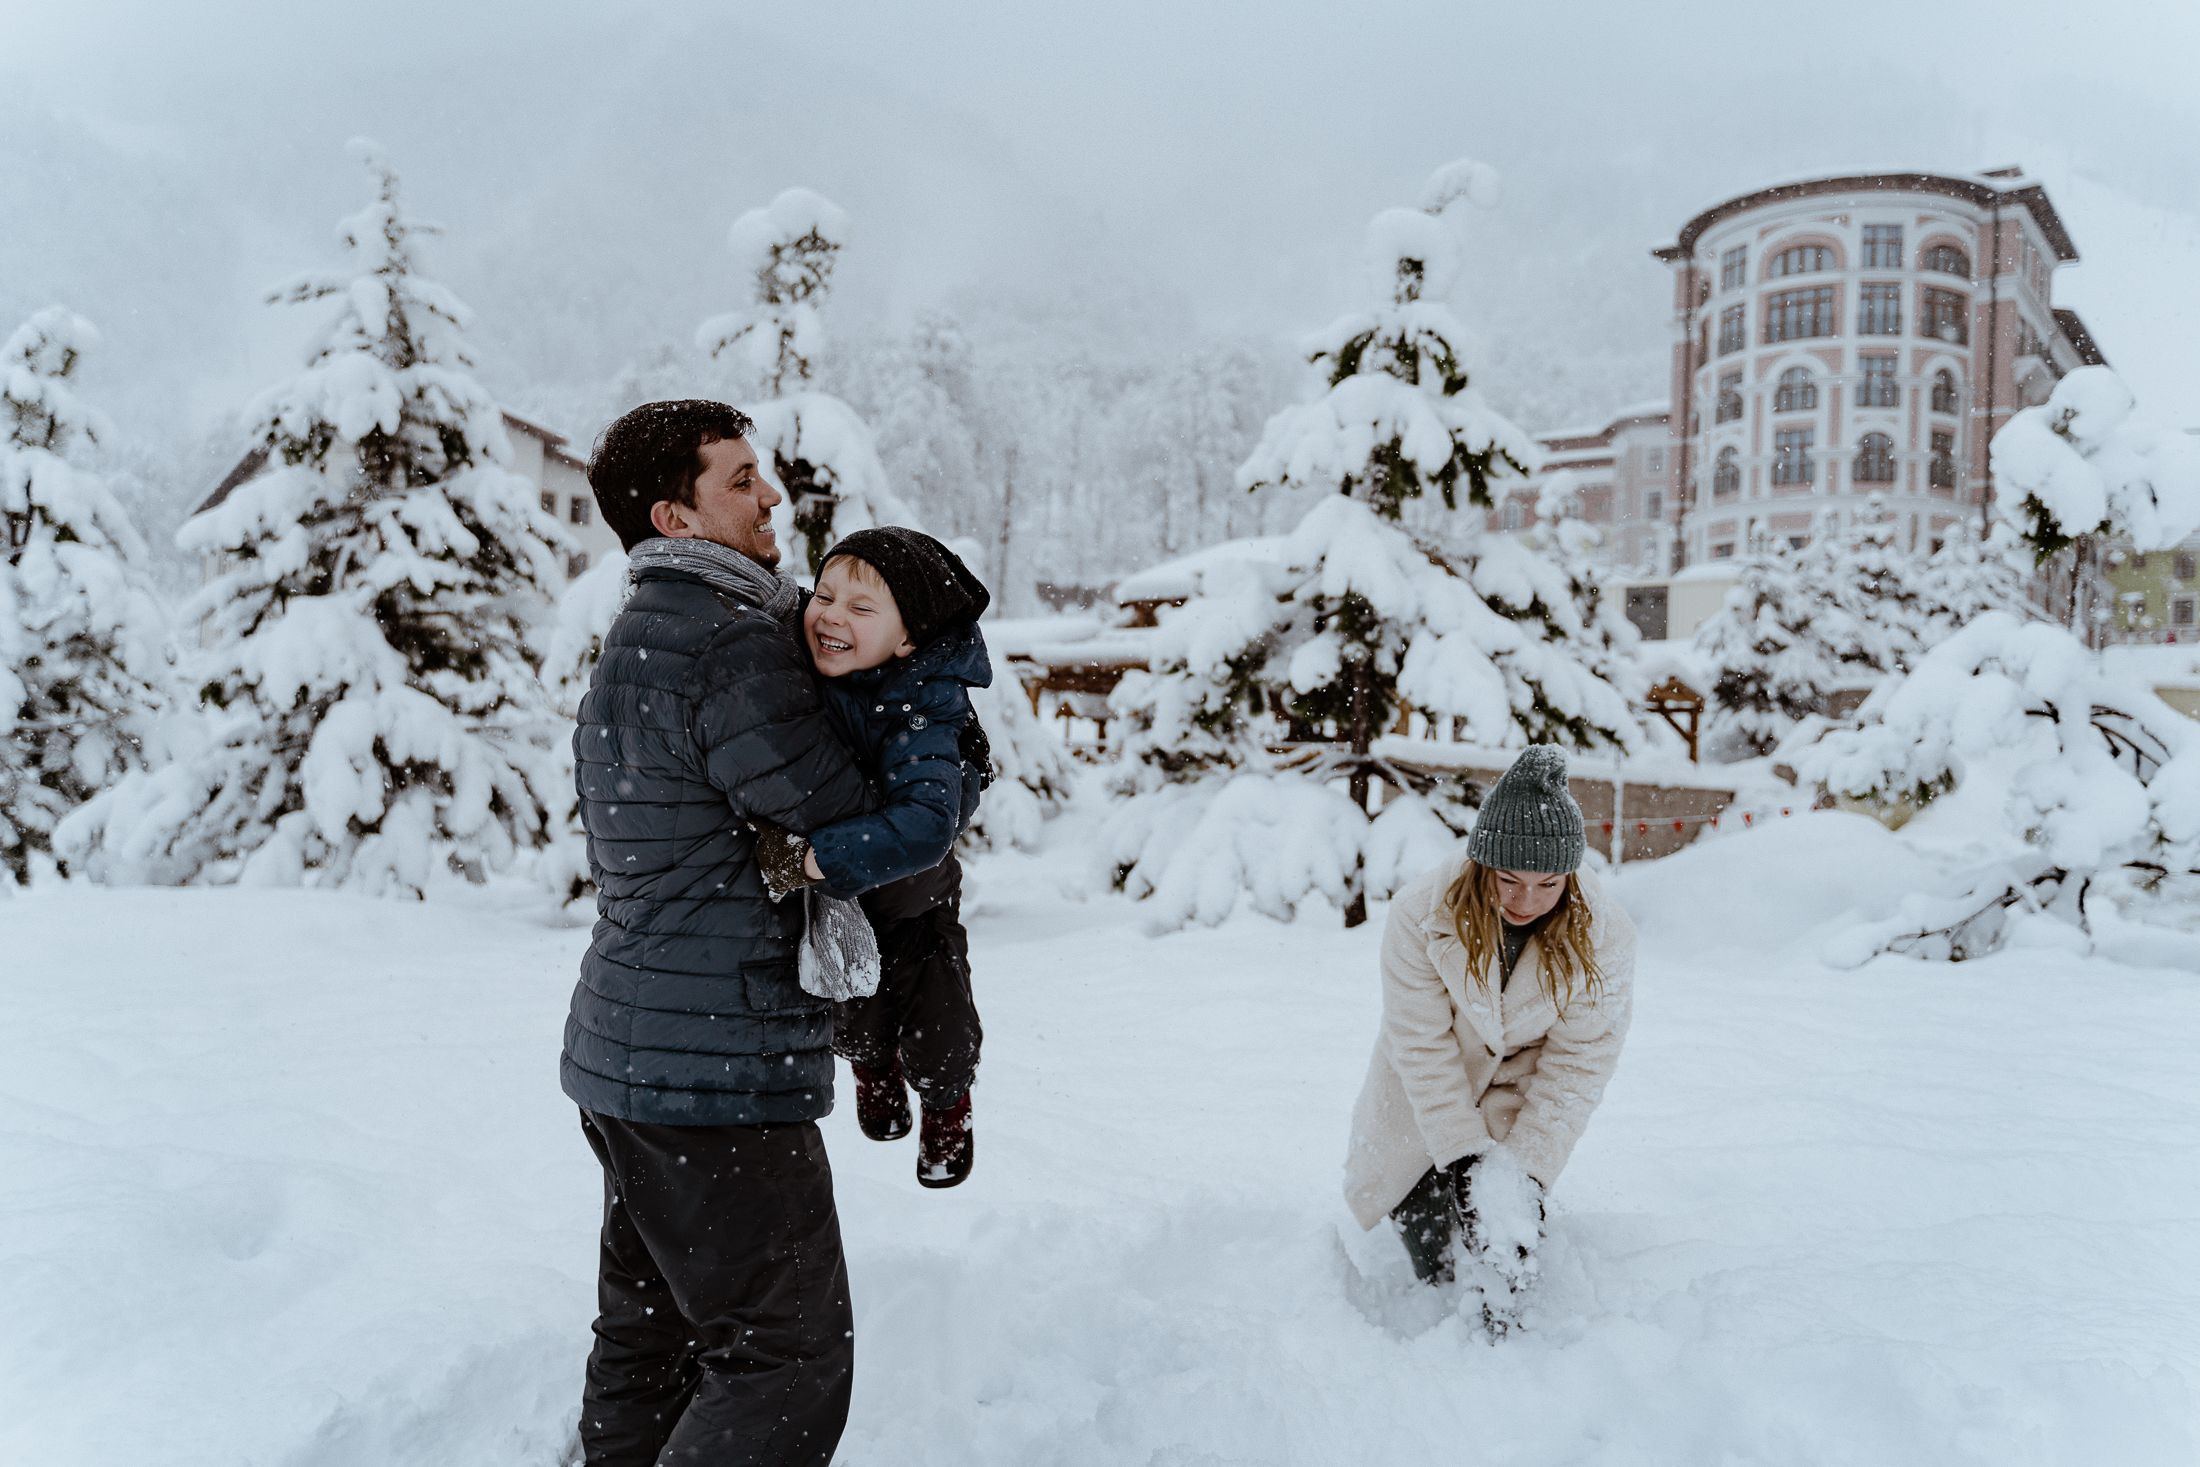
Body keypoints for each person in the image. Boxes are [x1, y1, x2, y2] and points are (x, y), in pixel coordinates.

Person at [559, 399, 876, 1467]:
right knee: (783, 1358)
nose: (771, 495)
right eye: (739, 480)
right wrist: (924, 733)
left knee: (651, 1337)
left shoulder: (637, 643)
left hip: (632, 1055)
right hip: (715, 1071)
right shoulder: (727, 648)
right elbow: (848, 816)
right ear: (673, 516)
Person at [1342, 744, 1637, 1333]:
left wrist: (1523, 1173)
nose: (1526, 901)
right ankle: (1430, 1321)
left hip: (1519, 1090)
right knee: (1425, 1226)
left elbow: (1580, 1064)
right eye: (1508, 880)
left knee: (1505, 1233)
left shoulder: (1605, 936)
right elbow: (1420, 1043)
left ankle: (1505, 1345)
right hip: (1422, 1087)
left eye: (1548, 883)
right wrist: (1459, 1152)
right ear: (1481, 863)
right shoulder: (1421, 914)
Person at [753, 527, 994, 1189]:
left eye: (861, 609)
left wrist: (807, 861)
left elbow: (923, 826)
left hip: (917, 904)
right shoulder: (815, 672)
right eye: (825, 594)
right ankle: (873, 1068)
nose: (830, 614)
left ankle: (948, 1107)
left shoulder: (925, 707)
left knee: (941, 1034)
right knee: (853, 1017)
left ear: (909, 638)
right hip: (848, 902)